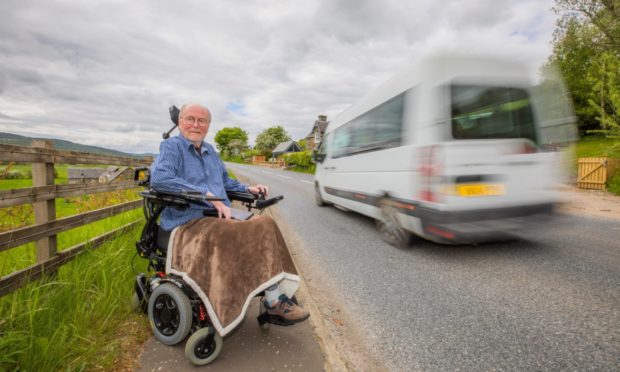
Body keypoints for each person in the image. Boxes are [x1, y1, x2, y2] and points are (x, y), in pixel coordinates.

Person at [150, 103, 309, 323]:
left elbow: (224, 182)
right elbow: (160, 179)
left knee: (265, 224)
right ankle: (254, 302)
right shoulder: (172, 148)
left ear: (208, 126)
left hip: (218, 217)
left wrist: (248, 189)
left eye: (202, 121)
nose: (196, 125)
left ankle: (273, 297)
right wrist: (205, 195)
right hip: (188, 219)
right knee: (232, 235)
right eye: (190, 119)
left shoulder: (210, 151)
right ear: (180, 122)